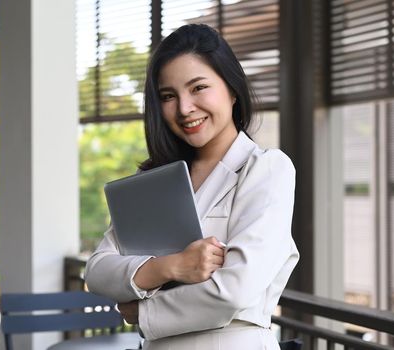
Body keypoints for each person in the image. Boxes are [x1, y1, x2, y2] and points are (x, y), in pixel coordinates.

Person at [84, 23, 299, 350]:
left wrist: (143, 312)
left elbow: (235, 290)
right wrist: (170, 266)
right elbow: (97, 271)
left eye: (198, 88)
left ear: (232, 88)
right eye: (169, 96)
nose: (184, 108)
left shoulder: (266, 169)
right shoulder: (154, 181)